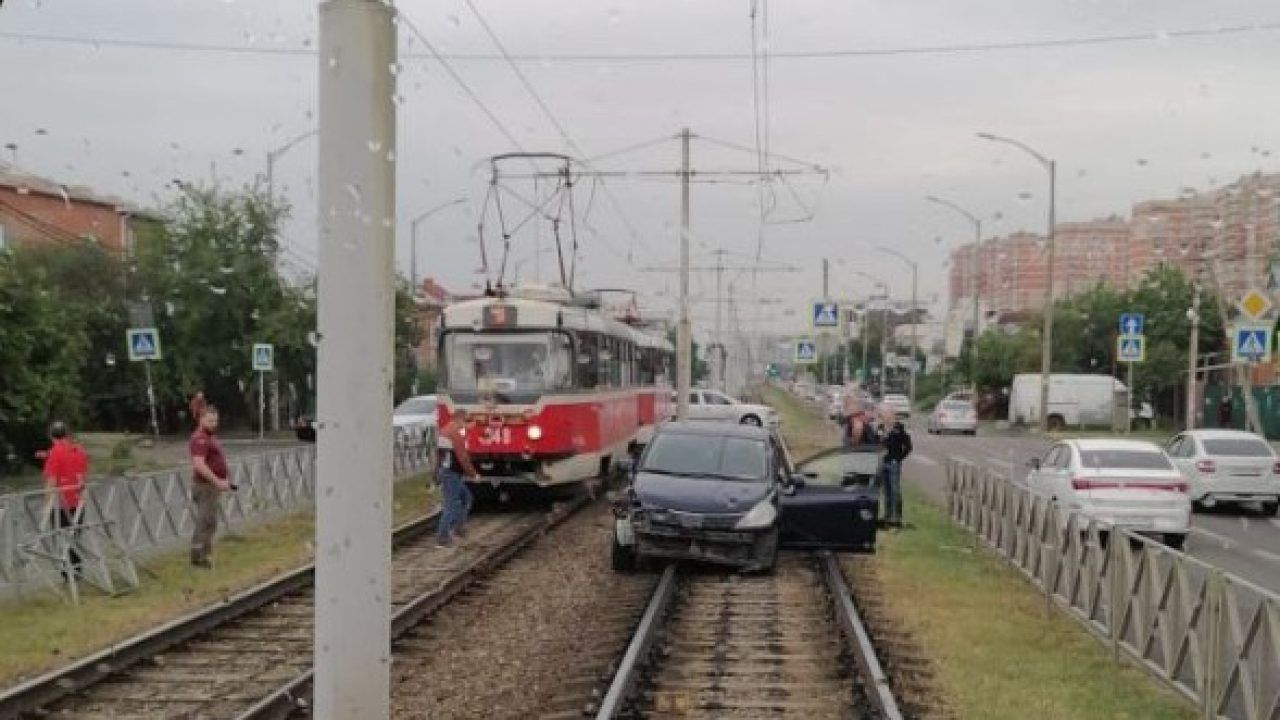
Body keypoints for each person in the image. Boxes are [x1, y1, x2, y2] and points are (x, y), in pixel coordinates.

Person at [42, 421, 88, 578]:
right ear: (67, 434)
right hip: (77, 501)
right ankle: (77, 572)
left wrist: (47, 504)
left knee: (62, 540)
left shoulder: (55, 452)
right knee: (75, 538)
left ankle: (68, 575)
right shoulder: (78, 450)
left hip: (60, 505)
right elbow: (82, 477)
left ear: (50, 435)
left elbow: (51, 481)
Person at [189, 405, 233, 568]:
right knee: (205, 521)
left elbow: (216, 461)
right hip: (205, 486)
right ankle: (198, 558)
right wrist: (217, 481)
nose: (214, 423)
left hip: (212, 486)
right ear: (201, 420)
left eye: (215, 420)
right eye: (210, 420)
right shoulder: (199, 438)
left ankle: (205, 555)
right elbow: (199, 465)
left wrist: (226, 479)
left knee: (211, 521)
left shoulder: (209, 437)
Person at [435, 410, 480, 549]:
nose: (469, 425)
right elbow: (463, 457)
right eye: (468, 421)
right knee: (452, 505)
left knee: (466, 498)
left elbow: (439, 456)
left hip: (448, 472)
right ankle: (443, 537)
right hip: (452, 474)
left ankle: (459, 528)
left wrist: (436, 473)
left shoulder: (445, 430)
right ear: (461, 420)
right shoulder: (456, 433)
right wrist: (473, 474)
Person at [881, 421, 913, 527]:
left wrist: (899, 458)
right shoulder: (882, 428)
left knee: (895, 490)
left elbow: (908, 447)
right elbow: (879, 442)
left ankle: (897, 516)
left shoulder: (899, 429)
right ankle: (887, 515)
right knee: (887, 491)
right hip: (884, 461)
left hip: (894, 462)